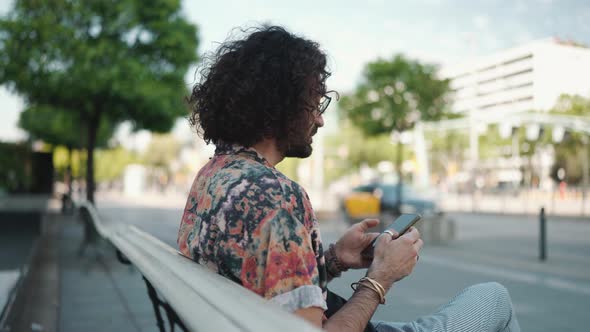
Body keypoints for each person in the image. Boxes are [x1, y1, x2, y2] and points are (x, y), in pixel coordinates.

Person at [178, 25, 520, 332]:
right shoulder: (276, 195)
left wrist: (334, 259)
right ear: (280, 106)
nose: (320, 120)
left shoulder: (214, 176)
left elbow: (263, 284)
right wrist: (381, 278)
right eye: (315, 104)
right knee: (493, 298)